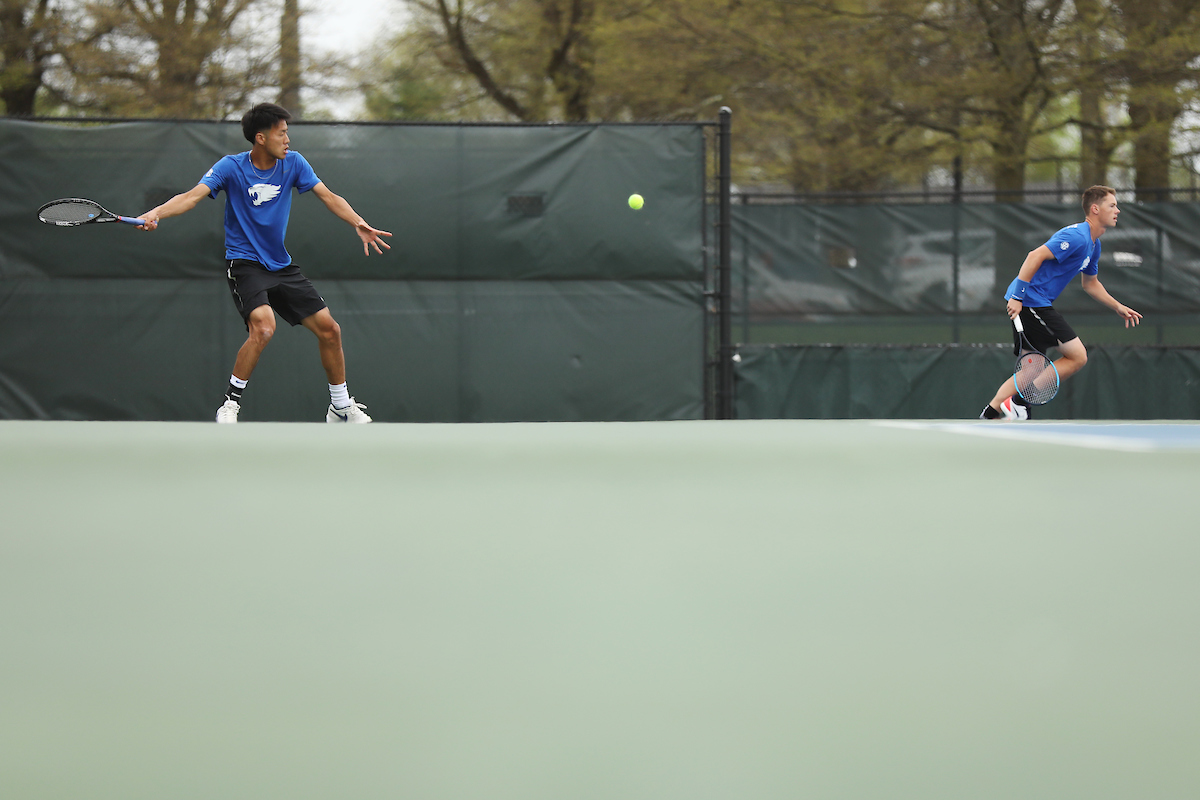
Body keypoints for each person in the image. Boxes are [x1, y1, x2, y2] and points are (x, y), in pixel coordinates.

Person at [137, 102, 391, 423]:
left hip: (281, 265)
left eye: (287, 133)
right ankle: (230, 404)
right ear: (261, 138)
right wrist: (156, 213)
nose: (287, 140)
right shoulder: (230, 167)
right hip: (244, 263)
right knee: (264, 326)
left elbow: (329, 196)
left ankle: (339, 406)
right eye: (281, 133)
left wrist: (358, 222)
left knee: (330, 330)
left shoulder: (294, 163)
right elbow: (191, 197)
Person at [980, 185, 1142, 420]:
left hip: (1033, 301)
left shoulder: (1094, 244)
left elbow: (1090, 283)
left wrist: (1117, 306)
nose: (1117, 210)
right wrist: (1017, 296)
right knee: (1077, 356)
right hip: (1031, 300)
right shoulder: (1076, 237)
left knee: (1032, 369)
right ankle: (1019, 402)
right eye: (1112, 205)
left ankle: (990, 414)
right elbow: (1034, 256)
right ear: (1095, 209)